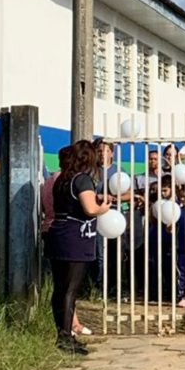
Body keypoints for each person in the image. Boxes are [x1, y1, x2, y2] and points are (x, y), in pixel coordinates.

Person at [46, 140, 110, 354]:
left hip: (58, 234)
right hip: (75, 239)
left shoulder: (61, 179)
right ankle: (65, 337)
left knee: (60, 288)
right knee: (70, 290)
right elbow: (90, 209)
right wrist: (104, 208)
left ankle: (61, 332)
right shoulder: (82, 179)